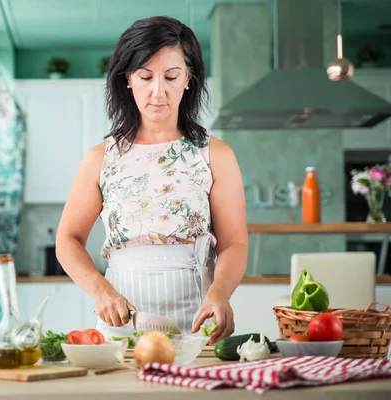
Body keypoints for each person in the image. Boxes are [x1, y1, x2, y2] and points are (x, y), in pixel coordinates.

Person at [55, 16, 248, 345]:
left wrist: (220, 294)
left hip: (198, 319)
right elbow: (68, 240)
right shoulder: (100, 158)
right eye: (145, 76)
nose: (158, 91)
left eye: (171, 76)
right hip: (122, 322)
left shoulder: (215, 155)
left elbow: (234, 243)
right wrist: (101, 291)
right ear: (127, 79)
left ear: (189, 79)